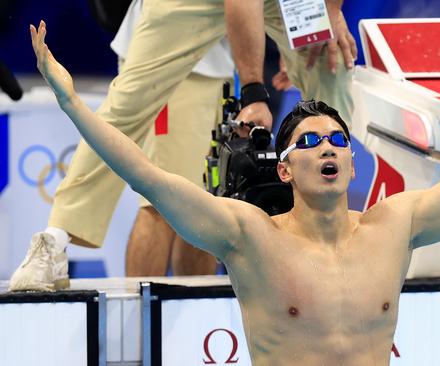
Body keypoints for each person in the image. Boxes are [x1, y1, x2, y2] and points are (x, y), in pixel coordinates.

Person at [23, 8, 440, 363]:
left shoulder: (396, 225)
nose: (328, 148)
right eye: (308, 143)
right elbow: (144, 171)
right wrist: (73, 101)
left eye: (336, 139)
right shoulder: (250, 236)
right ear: (283, 170)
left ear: (353, 164)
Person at [9, 0, 356, 291]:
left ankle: (341, 235)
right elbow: (241, 3)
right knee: (131, 112)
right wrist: (253, 91)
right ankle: (54, 241)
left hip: (247, 30)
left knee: (331, 60)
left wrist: (319, 20)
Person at [112, 0, 233, 276]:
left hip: (213, 63)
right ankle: (138, 317)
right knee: (161, 202)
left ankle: (195, 317)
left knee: (203, 209)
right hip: (170, 60)